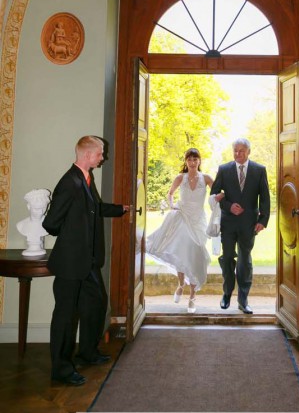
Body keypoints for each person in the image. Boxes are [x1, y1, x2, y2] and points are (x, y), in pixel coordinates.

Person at [43, 136, 131, 386]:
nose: (102, 157)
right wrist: (73, 237)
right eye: (100, 153)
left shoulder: (85, 179)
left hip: (87, 262)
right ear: (87, 154)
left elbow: (94, 208)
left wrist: (120, 209)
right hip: (71, 263)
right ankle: (60, 369)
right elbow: (50, 223)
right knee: (65, 316)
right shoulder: (70, 182)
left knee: (96, 302)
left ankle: (87, 352)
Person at [145, 148, 222, 313]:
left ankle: (192, 296)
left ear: (199, 161)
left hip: (198, 221)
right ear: (186, 161)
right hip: (182, 218)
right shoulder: (180, 178)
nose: (192, 163)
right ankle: (181, 285)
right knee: (181, 252)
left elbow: (216, 194)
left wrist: (218, 197)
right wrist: (172, 205)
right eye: (190, 160)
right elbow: (170, 193)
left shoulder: (206, 178)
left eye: (195, 159)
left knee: (197, 254)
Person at [210, 138, 270, 314]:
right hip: (228, 223)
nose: (238, 154)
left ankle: (243, 299)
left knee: (245, 260)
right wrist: (228, 205)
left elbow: (265, 198)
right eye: (235, 150)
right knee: (227, 257)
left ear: (249, 151)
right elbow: (214, 194)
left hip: (249, 224)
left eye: (242, 151)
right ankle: (227, 292)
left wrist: (262, 221)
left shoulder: (259, 170)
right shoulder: (224, 169)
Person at [17, 189, 51, 256]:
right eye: (37, 209)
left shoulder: (49, 223)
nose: (41, 212)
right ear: (29, 207)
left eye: (44, 208)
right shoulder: (21, 225)